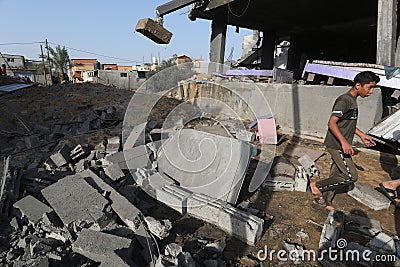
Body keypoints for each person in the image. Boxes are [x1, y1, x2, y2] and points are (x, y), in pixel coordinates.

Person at [310, 71, 380, 210]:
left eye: (373, 88)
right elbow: (332, 123)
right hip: (337, 145)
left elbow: (347, 123)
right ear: (358, 85)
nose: (371, 92)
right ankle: (316, 186)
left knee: (336, 173)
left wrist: (361, 135)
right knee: (350, 176)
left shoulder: (353, 101)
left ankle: (326, 201)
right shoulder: (345, 100)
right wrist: (344, 142)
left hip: (342, 144)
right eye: (369, 87)